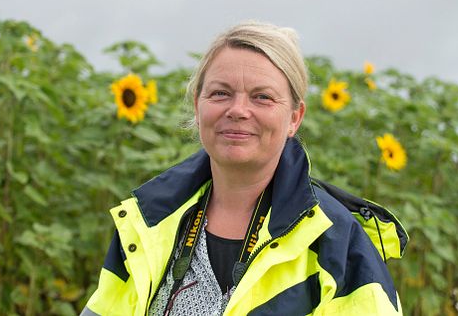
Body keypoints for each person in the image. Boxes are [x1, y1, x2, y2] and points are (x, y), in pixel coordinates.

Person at [81, 22, 408, 316]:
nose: (238, 111)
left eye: (262, 97)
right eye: (221, 93)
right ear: (198, 105)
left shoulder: (338, 244)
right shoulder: (146, 223)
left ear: (295, 117)